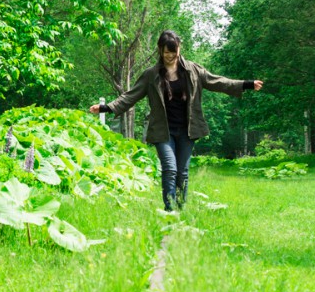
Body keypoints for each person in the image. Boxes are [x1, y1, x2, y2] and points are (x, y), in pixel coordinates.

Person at [89, 31, 263, 211]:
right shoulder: (151, 75)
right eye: (167, 52)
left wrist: (246, 84)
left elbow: (217, 81)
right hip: (163, 131)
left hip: (187, 130)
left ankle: (180, 209)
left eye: (174, 51)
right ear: (160, 50)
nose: (170, 56)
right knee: (170, 169)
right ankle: (170, 210)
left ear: (179, 48)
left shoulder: (193, 70)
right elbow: (131, 95)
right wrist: (107, 107)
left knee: (182, 173)